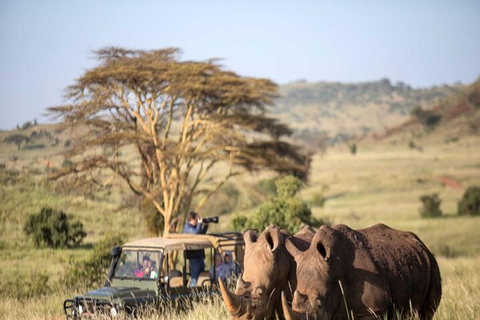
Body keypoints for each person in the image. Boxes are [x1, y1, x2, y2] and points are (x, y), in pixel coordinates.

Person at [183, 211, 209, 287]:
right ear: (192, 219)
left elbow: (201, 234)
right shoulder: (187, 227)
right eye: (197, 219)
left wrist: (205, 226)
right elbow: (195, 234)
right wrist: (200, 224)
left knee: (201, 276)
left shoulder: (196, 227)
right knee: (194, 277)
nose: (198, 221)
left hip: (199, 256)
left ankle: (199, 291)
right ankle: (192, 292)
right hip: (193, 257)